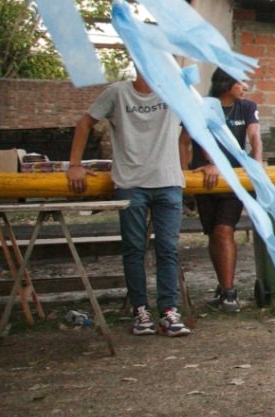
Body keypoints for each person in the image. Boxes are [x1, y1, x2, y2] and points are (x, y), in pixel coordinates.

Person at [67, 67, 189, 337]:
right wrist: (74, 164)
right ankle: (140, 310)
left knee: (168, 249)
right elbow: (84, 122)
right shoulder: (117, 92)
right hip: (131, 183)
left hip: (168, 181)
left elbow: (202, 123)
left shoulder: (175, 90)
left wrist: (212, 164)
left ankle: (169, 311)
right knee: (134, 249)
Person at [180, 67, 263, 312]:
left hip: (233, 178)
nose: (245, 87)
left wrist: (256, 164)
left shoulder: (247, 107)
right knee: (213, 234)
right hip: (204, 180)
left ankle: (229, 292)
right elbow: (185, 141)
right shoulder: (201, 105)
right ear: (226, 83)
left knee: (225, 231)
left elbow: (255, 137)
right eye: (241, 81)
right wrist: (187, 176)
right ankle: (222, 285)